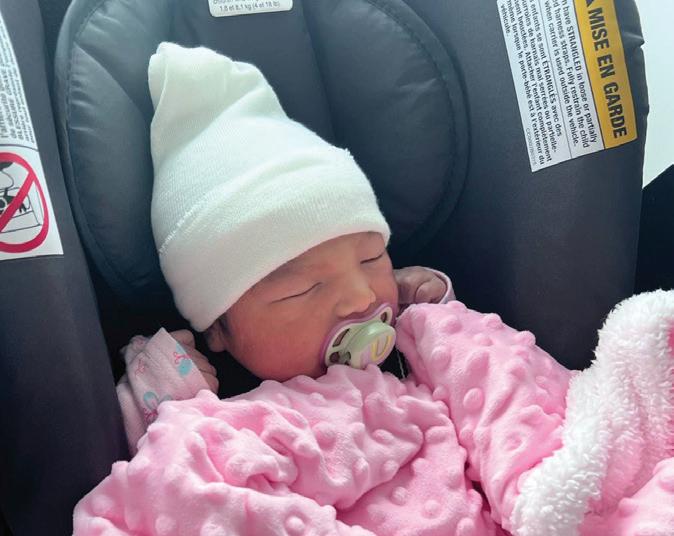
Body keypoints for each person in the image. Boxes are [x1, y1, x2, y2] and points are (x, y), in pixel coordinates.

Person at [74, 43, 674, 536]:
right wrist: (162, 375)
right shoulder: (220, 415)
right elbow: (168, 471)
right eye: (304, 288)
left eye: (372, 256)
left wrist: (432, 305)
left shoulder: (407, 355)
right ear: (218, 329)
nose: (362, 297)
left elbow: (486, 378)